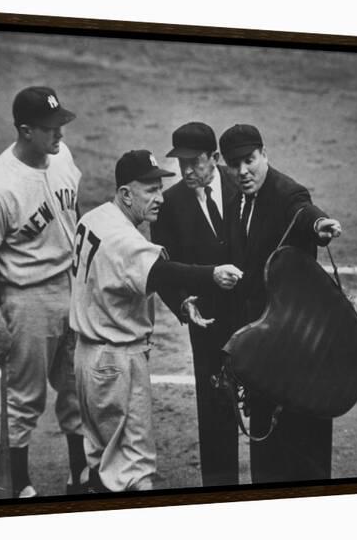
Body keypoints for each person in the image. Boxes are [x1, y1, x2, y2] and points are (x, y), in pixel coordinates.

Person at [69, 149, 242, 492]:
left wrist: (180, 306)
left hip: (87, 359)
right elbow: (164, 271)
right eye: (149, 189)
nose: (160, 198)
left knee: (104, 460)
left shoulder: (95, 217)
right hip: (116, 362)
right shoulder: (126, 240)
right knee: (134, 470)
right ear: (125, 194)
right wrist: (212, 274)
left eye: (160, 188)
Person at [219, 123, 342, 484]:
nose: (242, 171)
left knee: (303, 447)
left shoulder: (285, 191)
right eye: (234, 164)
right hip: (266, 347)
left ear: (264, 155)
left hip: (299, 350)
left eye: (249, 160)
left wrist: (320, 224)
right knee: (268, 452)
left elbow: (303, 211)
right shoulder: (239, 198)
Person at [0, 86, 88, 498]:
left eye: (61, 124)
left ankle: (78, 470)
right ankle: (21, 483)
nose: (60, 134)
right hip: (25, 298)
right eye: (50, 128)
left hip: (69, 285)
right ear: (25, 131)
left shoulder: (62, 155)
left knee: (75, 385)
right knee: (25, 397)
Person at [150, 122, 240, 487]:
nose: (186, 170)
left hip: (255, 316)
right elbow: (165, 267)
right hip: (208, 322)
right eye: (181, 162)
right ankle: (221, 493)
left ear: (214, 158)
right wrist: (183, 302)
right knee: (215, 409)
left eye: (195, 161)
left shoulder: (242, 186)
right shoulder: (170, 204)